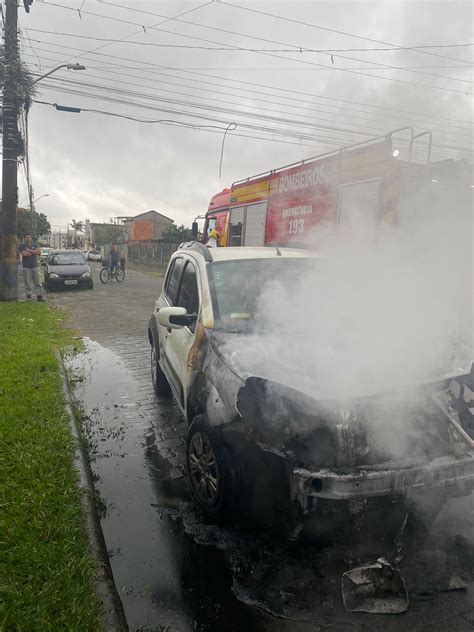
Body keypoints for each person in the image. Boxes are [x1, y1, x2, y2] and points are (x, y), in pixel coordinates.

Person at [18, 234, 45, 301]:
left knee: (38, 282)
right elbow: (24, 254)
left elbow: (39, 252)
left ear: (31, 238)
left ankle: (39, 296)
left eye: (29, 237)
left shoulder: (35, 245)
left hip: (35, 266)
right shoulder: (21, 246)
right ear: (24, 238)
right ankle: (29, 296)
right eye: (26, 237)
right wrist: (34, 252)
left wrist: (29, 251)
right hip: (26, 267)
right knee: (27, 282)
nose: (28, 239)